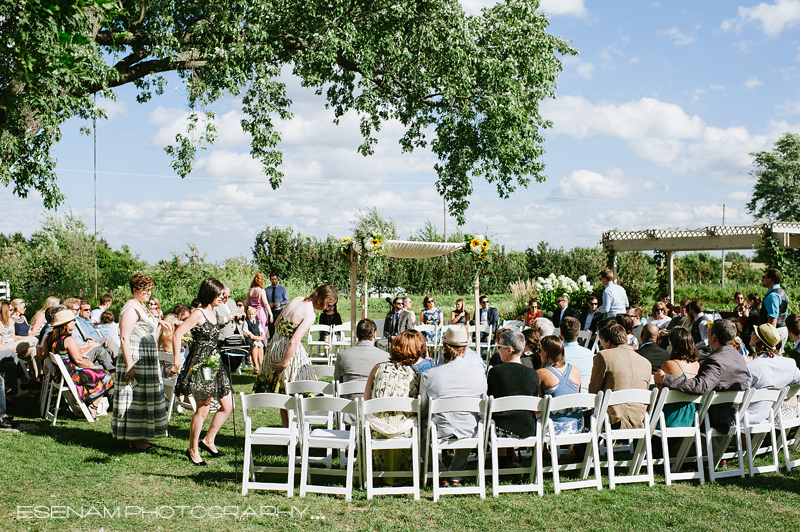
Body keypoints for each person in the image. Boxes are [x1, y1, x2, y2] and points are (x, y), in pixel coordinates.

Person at [254, 284, 338, 427]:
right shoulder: (310, 314)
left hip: (275, 346)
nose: (328, 308)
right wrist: (284, 363)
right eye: (328, 304)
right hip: (288, 352)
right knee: (304, 390)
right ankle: (301, 430)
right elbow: (294, 341)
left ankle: (287, 429)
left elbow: (277, 323)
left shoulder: (296, 299)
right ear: (323, 299)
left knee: (283, 393)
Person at [173, 278, 234, 466]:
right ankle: (192, 449)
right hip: (201, 365)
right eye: (219, 294)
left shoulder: (214, 311)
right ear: (209, 294)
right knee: (204, 408)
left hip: (214, 363)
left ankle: (208, 440)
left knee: (228, 405)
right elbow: (177, 334)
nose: (222, 297)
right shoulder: (198, 313)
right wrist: (177, 361)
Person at [420, 325, 487, 485]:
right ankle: (457, 471)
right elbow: (483, 403)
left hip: (439, 429)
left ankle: (438, 469)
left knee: (420, 427)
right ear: (464, 350)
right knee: (468, 418)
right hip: (470, 429)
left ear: (444, 347)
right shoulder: (479, 372)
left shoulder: (429, 375)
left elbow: (421, 408)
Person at [654, 319, 748, 432]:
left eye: (708, 331)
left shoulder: (716, 360)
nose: (706, 335)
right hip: (733, 416)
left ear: (714, 337)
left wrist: (665, 378)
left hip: (713, 420)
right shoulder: (739, 358)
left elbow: (701, 386)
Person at [112, 273, 169, 451]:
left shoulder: (141, 306)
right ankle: (135, 439)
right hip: (136, 359)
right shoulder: (130, 308)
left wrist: (160, 322)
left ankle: (142, 436)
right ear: (135, 290)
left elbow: (143, 325)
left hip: (147, 358)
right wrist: (130, 366)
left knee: (145, 398)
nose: (149, 294)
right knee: (136, 397)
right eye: (145, 291)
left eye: (150, 290)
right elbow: (124, 337)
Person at [363, 329, 422, 476]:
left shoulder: (378, 368)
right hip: (403, 434)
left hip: (376, 431)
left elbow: (366, 401)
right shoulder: (416, 375)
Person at [48, 309, 114, 419]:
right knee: (106, 375)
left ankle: (91, 403)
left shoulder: (54, 338)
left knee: (99, 371)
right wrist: (89, 365)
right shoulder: (68, 339)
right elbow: (78, 360)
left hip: (60, 375)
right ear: (65, 324)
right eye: (72, 320)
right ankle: (93, 406)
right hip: (72, 375)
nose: (75, 322)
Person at [487, 330, 539, 466]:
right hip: (527, 428)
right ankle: (508, 460)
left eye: (499, 346)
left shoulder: (495, 372)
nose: (498, 350)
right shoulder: (533, 374)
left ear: (509, 350)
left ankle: (504, 460)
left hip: (501, 429)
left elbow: (489, 400)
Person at [588, 323, 651, 429]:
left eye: (601, 342)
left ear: (608, 342)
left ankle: (577, 446)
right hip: (638, 421)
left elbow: (594, 391)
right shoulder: (646, 362)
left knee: (577, 419)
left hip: (611, 420)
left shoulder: (604, 356)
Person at [746, 323, 800, 424]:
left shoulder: (751, 367)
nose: (750, 335)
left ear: (758, 339)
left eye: (753, 333)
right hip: (771, 417)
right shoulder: (789, 364)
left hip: (748, 418)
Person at [537, 335, 584, 435]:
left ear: (547, 352)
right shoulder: (575, 370)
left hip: (553, 427)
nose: (539, 353)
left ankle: (541, 449)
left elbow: (537, 408)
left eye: (540, 350)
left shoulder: (541, 373)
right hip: (577, 425)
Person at [335, 318, 390, 400]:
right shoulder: (385, 357)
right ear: (374, 335)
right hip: (375, 407)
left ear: (356, 334)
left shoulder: (342, 356)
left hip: (349, 408)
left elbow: (337, 383)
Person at [656, 328, 701, 428]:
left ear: (673, 344)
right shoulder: (697, 366)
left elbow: (659, 396)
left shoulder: (669, 365)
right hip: (691, 419)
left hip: (668, 419)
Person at [759, 268, 789, 352]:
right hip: (782, 329)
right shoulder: (783, 293)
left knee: (772, 355)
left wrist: (768, 337)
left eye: (764, 277)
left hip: (775, 331)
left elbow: (773, 318)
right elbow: (784, 313)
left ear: (770, 279)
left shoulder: (773, 295)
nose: (762, 279)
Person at [560, 316, 593, 387]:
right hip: (585, 395)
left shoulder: (557, 353)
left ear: (561, 333)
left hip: (563, 395)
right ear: (578, 333)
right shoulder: (588, 353)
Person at [247, 273, 274, 342]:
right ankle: (263, 346)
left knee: (253, 330)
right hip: (260, 313)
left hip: (252, 312)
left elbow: (248, 303)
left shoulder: (249, 291)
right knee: (262, 330)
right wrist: (271, 314)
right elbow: (265, 303)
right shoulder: (261, 291)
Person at [242, 306, 265, 373]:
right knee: (254, 346)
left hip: (257, 337)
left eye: (252, 314)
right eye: (249, 314)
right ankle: (256, 365)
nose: (251, 316)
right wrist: (252, 336)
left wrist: (262, 336)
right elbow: (245, 330)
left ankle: (261, 364)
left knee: (260, 346)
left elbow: (261, 329)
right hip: (250, 338)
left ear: (255, 314)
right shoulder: (246, 321)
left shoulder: (257, 321)